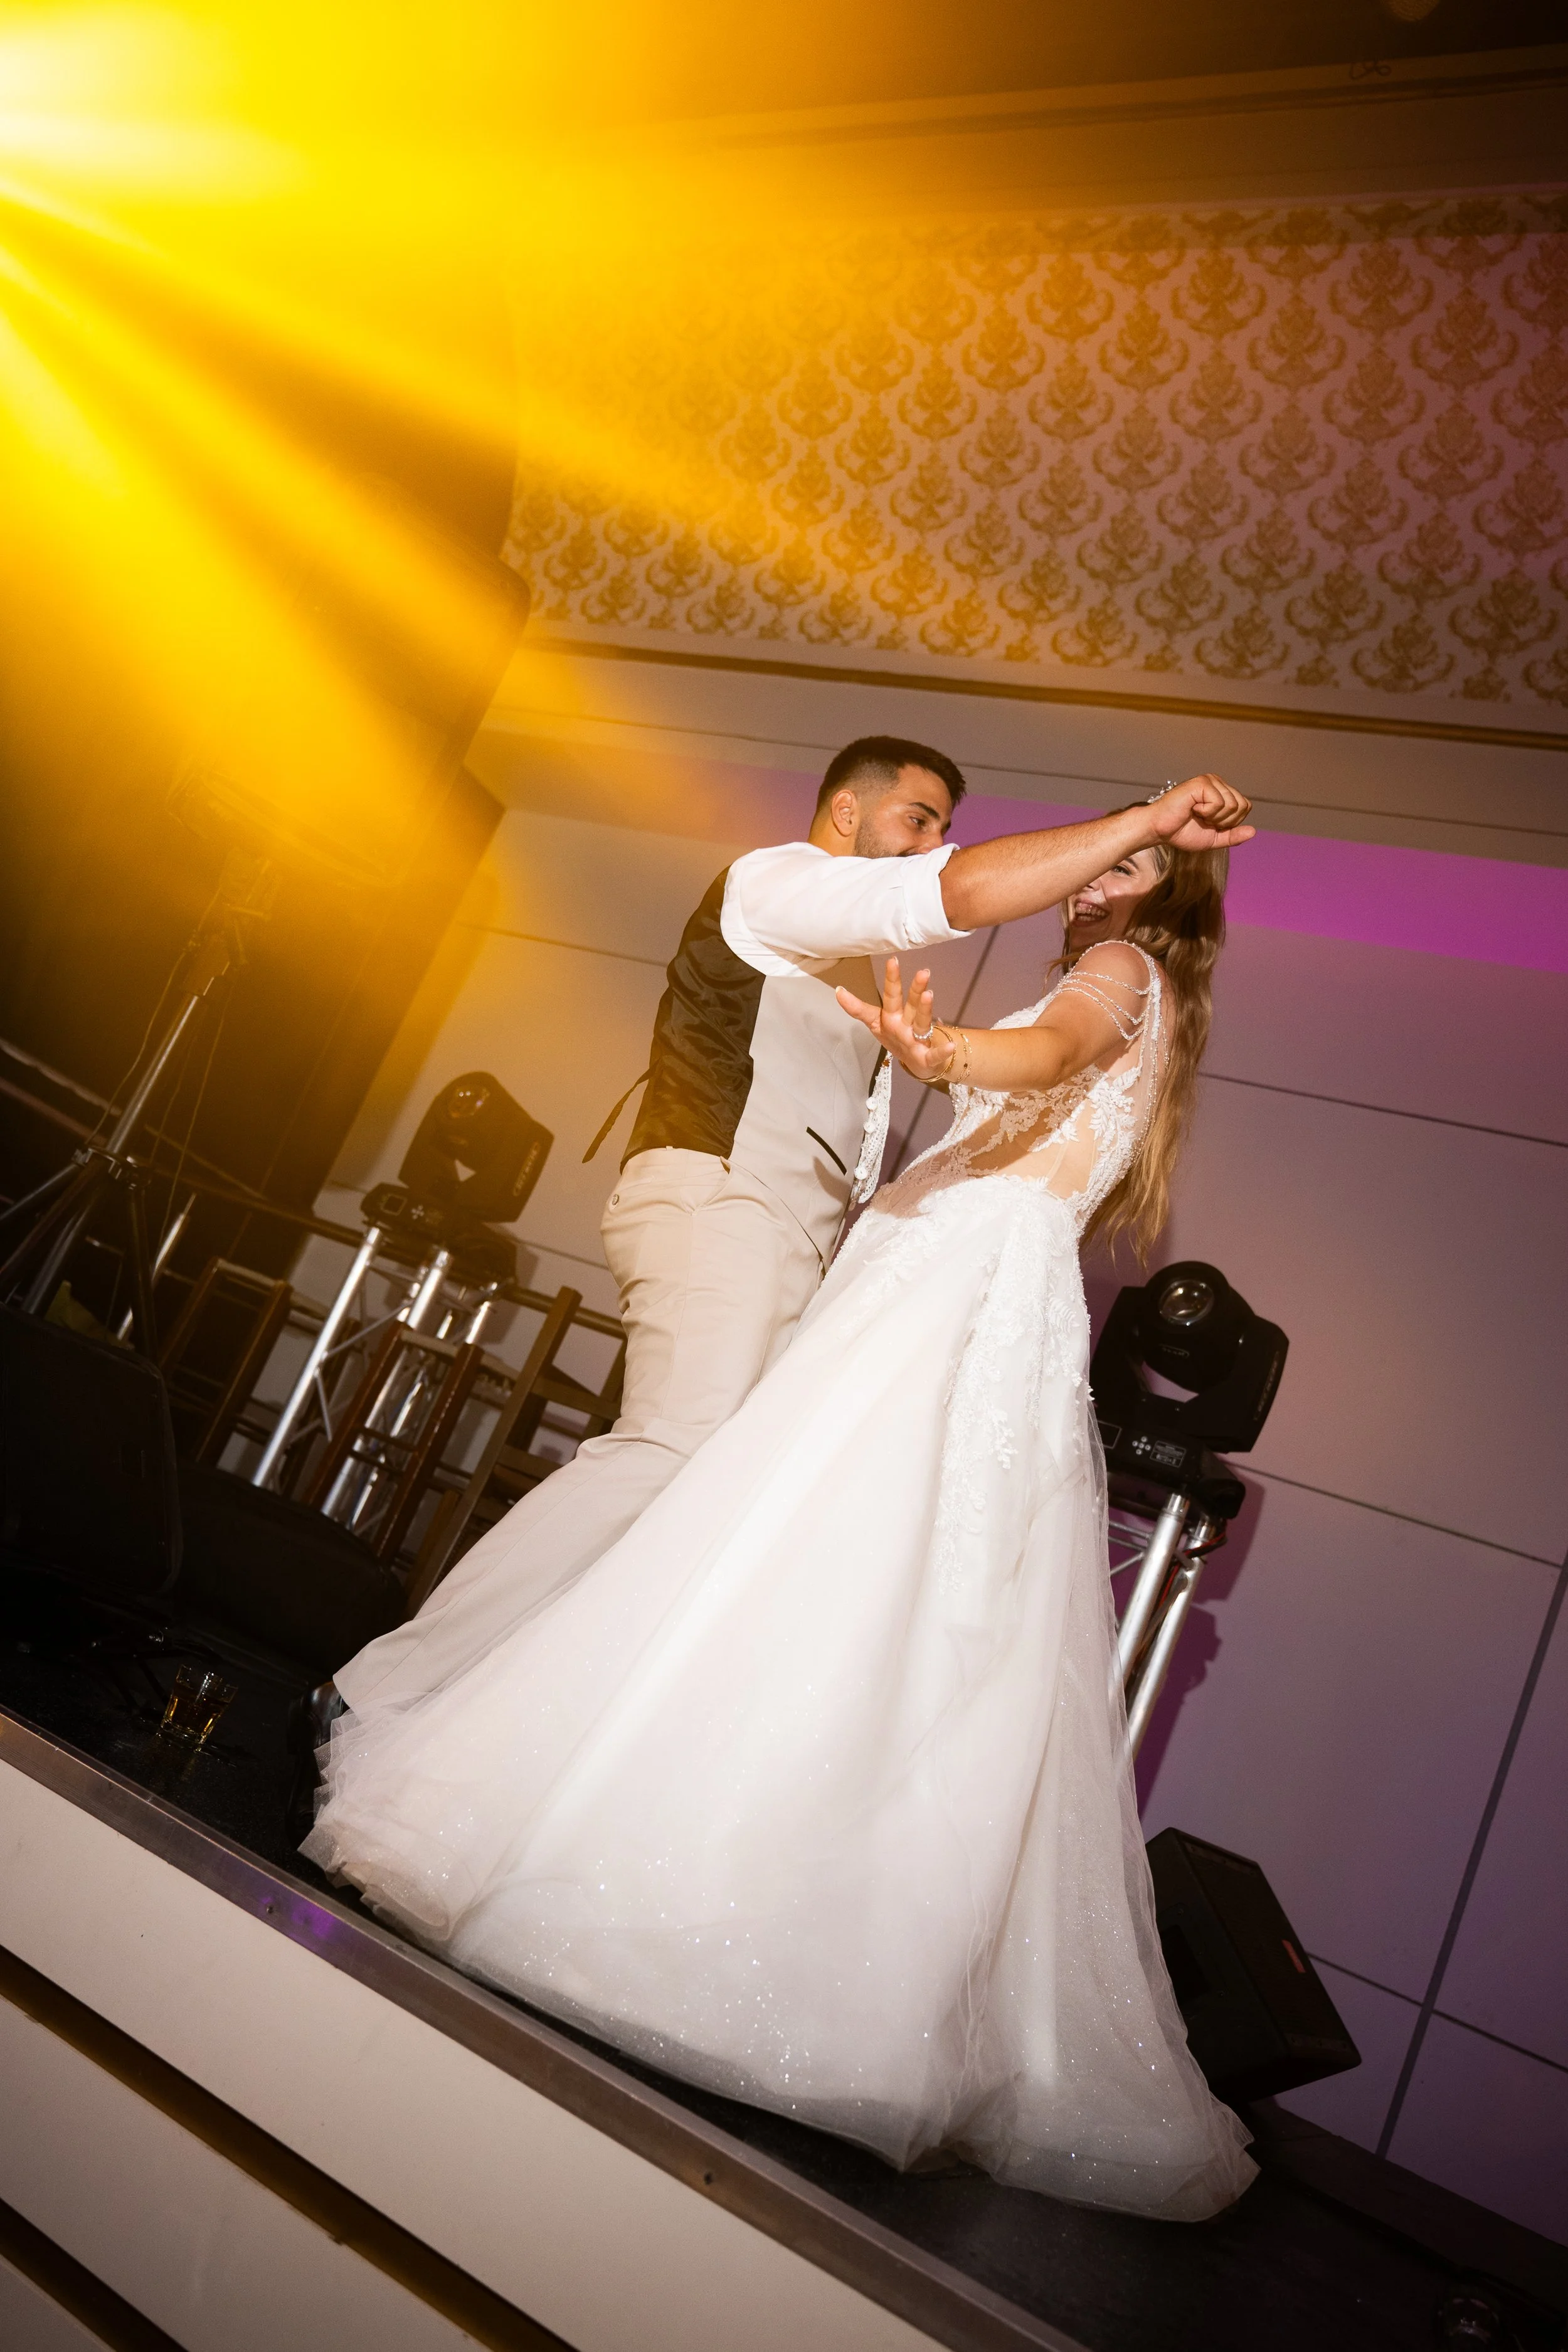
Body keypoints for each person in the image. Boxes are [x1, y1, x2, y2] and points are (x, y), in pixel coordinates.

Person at [304, 822, 1259, 2220]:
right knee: (862, 1595)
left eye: (1120, 864)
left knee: (805, 1568)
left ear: (1162, 892)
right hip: (959, 1284)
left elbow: (1049, 1052)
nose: (1092, 876)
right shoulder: (1139, 988)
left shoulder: (1116, 968)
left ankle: (681, 1903)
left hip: (954, 1287)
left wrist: (948, 1060)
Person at [331, 738, 1253, 1722]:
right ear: (849, 814)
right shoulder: (782, 884)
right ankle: (391, 1693)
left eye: (944, 829)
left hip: (807, 1260)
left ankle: (528, 1722)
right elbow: (958, 900)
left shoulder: (882, 966)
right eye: (921, 820)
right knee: (672, 1455)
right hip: (722, 1199)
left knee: (728, 1513)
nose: (937, 843)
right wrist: (1144, 827)